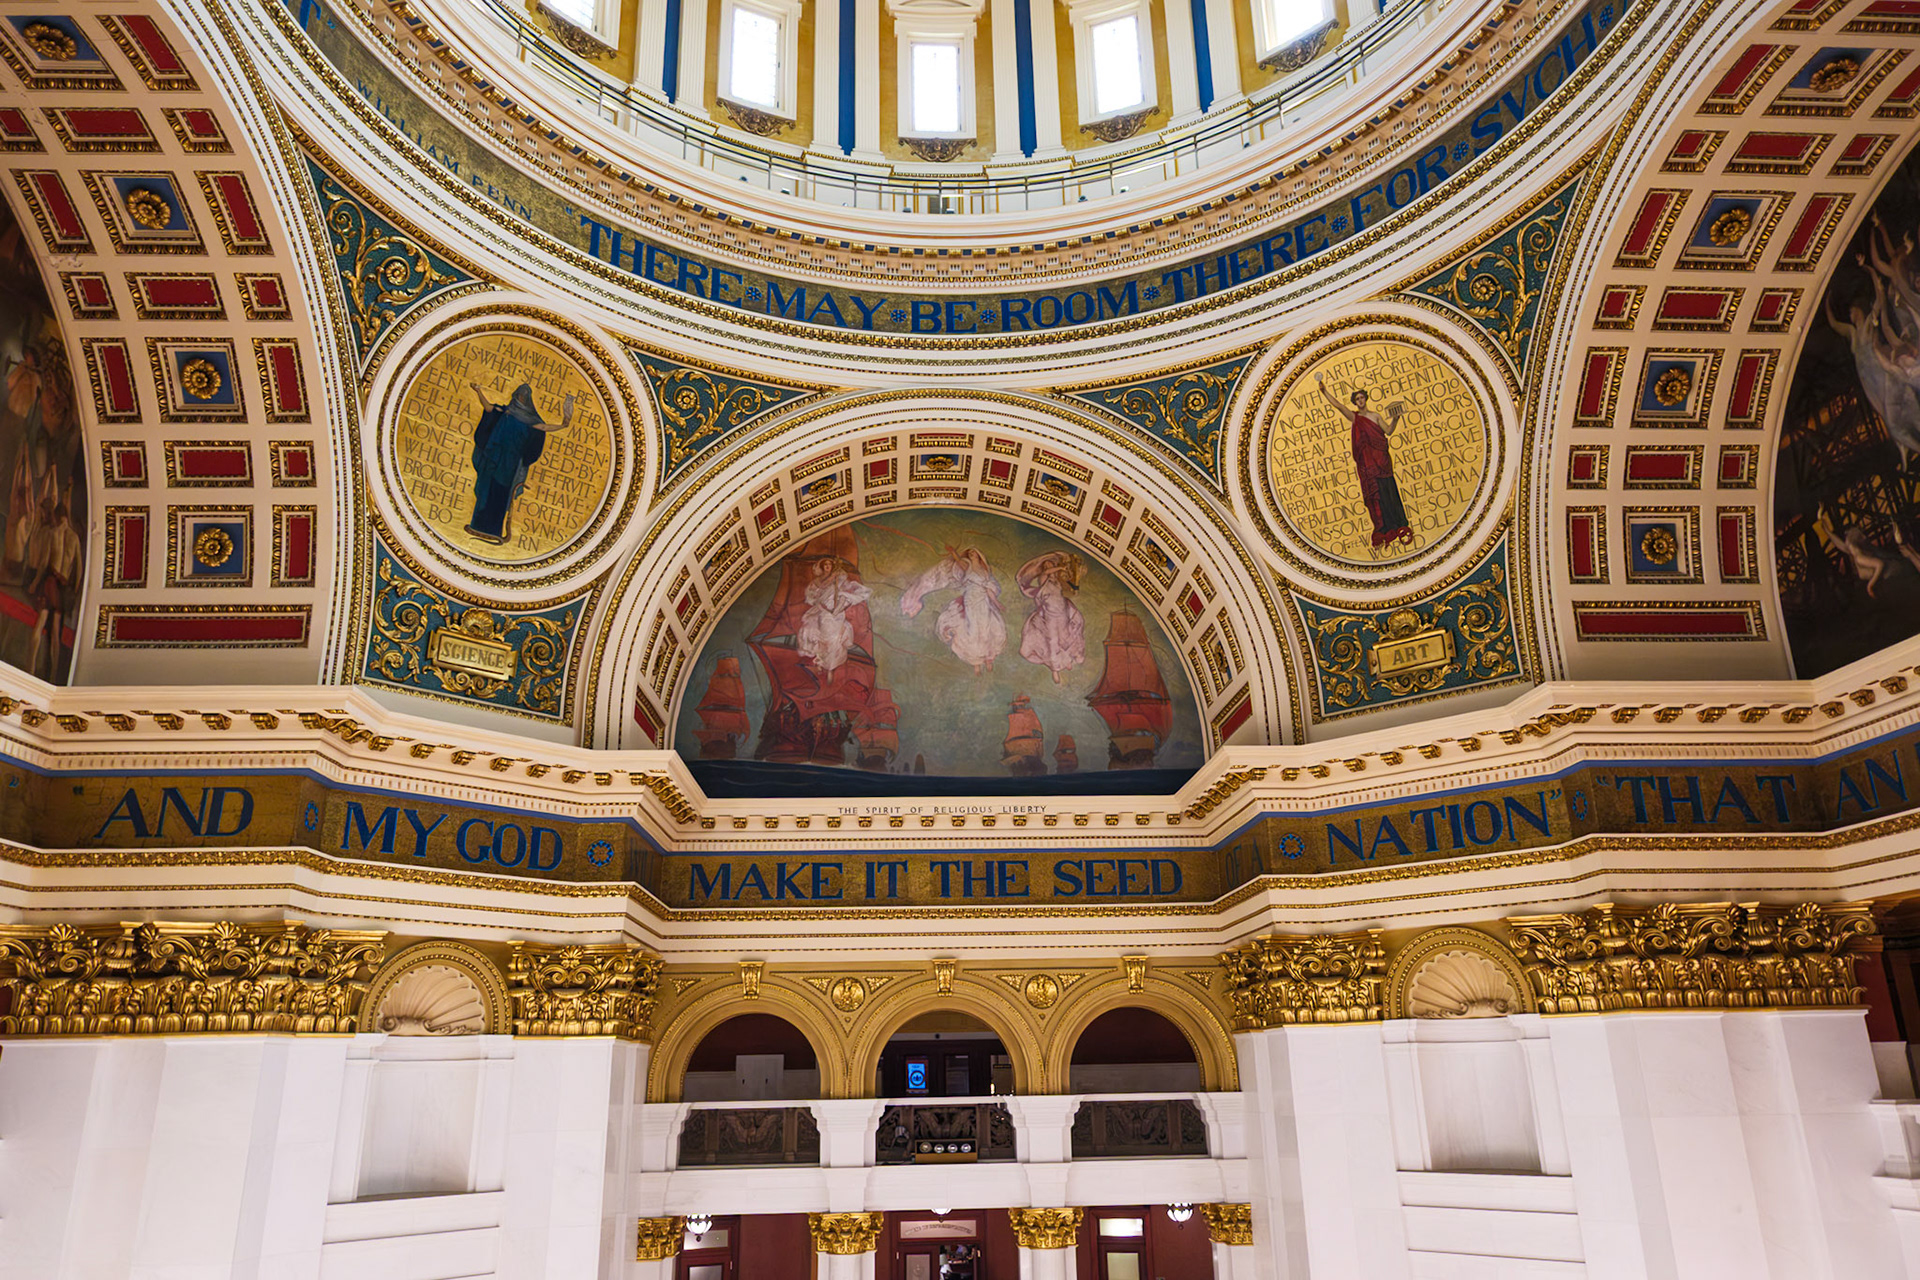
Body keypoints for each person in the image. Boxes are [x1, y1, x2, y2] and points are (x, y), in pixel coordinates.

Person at [465, 382, 572, 544]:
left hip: (509, 466)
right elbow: (487, 407)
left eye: (524, 396)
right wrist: (479, 390)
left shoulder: (530, 420)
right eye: (519, 394)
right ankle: (477, 525)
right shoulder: (505, 412)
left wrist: (562, 425)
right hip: (493, 460)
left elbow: (544, 427)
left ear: (527, 399)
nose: (521, 397)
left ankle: (494, 530)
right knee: (485, 492)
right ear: (515, 395)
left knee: (501, 495)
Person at [1316, 371, 1412, 550]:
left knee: (1390, 492)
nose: (1360, 401)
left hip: (1383, 462)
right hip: (1369, 465)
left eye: (1362, 398)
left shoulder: (1375, 416)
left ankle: (1399, 524)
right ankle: (1384, 528)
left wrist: (1396, 419)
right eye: (1357, 399)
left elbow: (1389, 431)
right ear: (1355, 402)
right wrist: (1324, 391)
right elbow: (1338, 406)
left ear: (1366, 399)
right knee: (1378, 496)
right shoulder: (1355, 418)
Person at [900, 545, 1005, 675]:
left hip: (983, 600)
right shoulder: (967, 567)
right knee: (973, 629)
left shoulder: (985, 572)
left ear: (979, 555)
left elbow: (989, 589)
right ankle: (975, 661)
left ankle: (988, 658)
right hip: (971, 600)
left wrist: (997, 603)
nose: (972, 554)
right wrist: (953, 552)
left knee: (985, 628)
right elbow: (958, 561)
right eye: (970, 553)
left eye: (974, 553)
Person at [25, 488, 79, 681]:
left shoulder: (53, 533)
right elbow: (78, 569)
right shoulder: (75, 538)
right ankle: (55, 674)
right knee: (56, 632)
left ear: (57, 516)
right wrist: (74, 592)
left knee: (40, 625)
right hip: (63, 586)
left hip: (50, 581)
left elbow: (44, 563)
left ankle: (30, 667)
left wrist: (35, 582)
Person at [797, 556, 871, 682]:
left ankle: (830, 669)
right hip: (824, 613)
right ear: (821, 567)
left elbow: (849, 591)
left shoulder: (839, 581)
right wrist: (833, 577)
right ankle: (820, 663)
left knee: (835, 642)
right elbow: (817, 592)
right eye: (825, 565)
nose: (827, 566)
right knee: (824, 640)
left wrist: (842, 597)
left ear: (832, 567)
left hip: (836, 615)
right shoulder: (818, 581)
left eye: (829, 565)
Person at [1015, 551, 1085, 682]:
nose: (1048, 568)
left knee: (1066, 636)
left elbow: (1073, 588)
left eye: (1050, 565)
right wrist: (1060, 567)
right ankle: (1055, 669)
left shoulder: (1059, 581)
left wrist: (1072, 574)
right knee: (1052, 641)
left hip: (1062, 612)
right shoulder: (1043, 579)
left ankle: (1067, 659)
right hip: (1050, 615)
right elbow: (1045, 573)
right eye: (1046, 566)